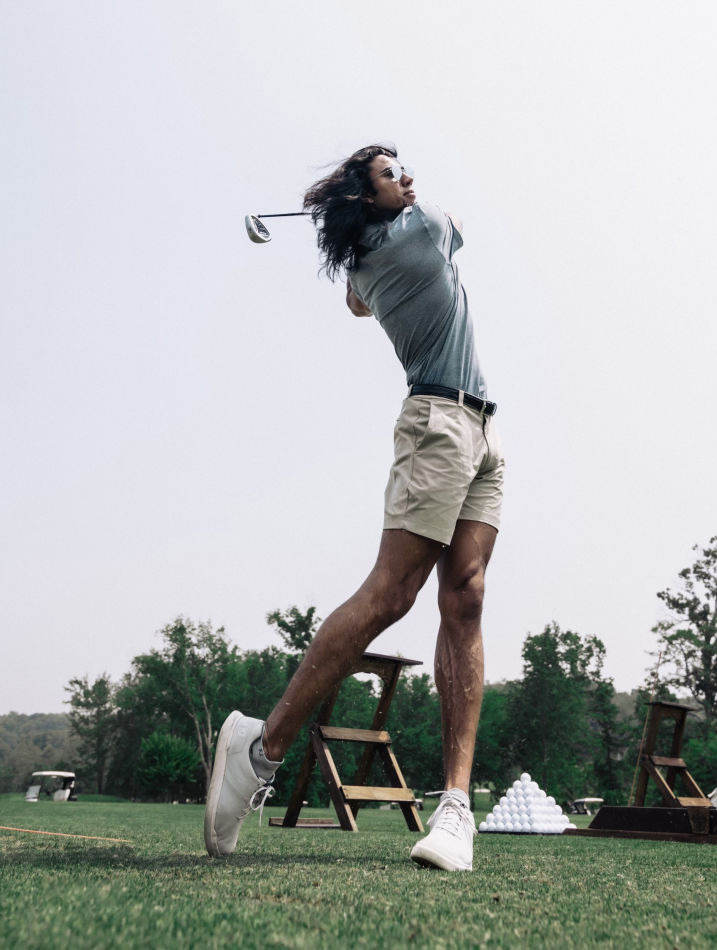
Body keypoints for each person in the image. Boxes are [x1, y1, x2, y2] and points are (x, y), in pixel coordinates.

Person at [204, 143, 505, 872]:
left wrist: (354, 232)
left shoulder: (369, 260)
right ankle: (260, 750)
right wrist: (380, 219)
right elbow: (456, 228)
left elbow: (354, 301)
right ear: (367, 197)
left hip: (480, 430)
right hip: (438, 424)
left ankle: (455, 808)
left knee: (465, 596)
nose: (409, 178)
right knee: (390, 595)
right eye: (391, 173)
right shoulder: (425, 227)